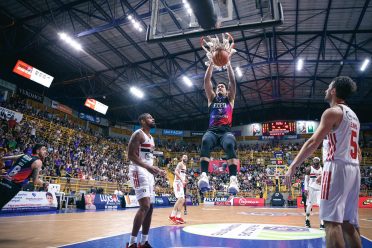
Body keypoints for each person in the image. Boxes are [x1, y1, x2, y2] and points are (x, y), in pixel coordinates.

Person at [285, 76, 361, 248]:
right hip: (354, 168)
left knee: (331, 222)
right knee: (348, 223)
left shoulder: (332, 112)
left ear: (334, 91)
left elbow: (313, 142)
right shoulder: (354, 116)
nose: (326, 90)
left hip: (337, 166)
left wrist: (293, 165)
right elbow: (359, 152)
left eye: (328, 87)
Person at [198, 52, 240, 194]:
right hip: (212, 131)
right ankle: (204, 176)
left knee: (229, 144)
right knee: (205, 141)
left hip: (226, 132)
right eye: (218, 87)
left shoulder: (230, 99)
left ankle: (233, 179)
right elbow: (206, 81)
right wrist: (211, 63)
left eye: (222, 86)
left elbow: (232, 82)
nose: (219, 87)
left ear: (227, 90)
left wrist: (228, 63)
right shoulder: (212, 99)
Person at [126, 113, 166, 248]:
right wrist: (148, 167)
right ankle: (131, 243)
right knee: (145, 206)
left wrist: (157, 169)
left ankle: (143, 242)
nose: (153, 119)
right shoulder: (138, 134)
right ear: (142, 121)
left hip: (148, 172)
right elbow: (130, 155)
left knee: (151, 207)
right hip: (138, 170)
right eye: (149, 118)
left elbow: (148, 158)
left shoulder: (151, 138)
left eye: (153, 117)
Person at [0, 144, 48, 210]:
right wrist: (44, 183)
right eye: (43, 149)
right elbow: (35, 181)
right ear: (37, 151)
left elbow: (8, 158)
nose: (45, 151)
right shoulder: (38, 162)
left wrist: (2, 160)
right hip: (13, 186)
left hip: (4, 181)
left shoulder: (24, 155)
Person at [304, 157, 324, 229]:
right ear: (313, 162)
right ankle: (307, 220)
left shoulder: (323, 169)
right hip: (311, 188)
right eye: (314, 162)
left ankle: (322, 223)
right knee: (309, 205)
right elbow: (306, 180)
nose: (315, 163)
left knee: (321, 205)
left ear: (319, 162)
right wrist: (305, 189)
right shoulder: (309, 169)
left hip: (320, 189)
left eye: (317, 162)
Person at [169, 154, 188, 224]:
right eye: (184, 157)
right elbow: (176, 172)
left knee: (182, 200)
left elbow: (182, 175)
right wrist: (182, 180)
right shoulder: (180, 164)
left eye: (186, 157)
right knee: (180, 199)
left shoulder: (185, 166)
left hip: (181, 183)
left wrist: (185, 180)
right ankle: (172, 215)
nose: (185, 158)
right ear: (182, 158)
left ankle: (178, 217)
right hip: (177, 183)